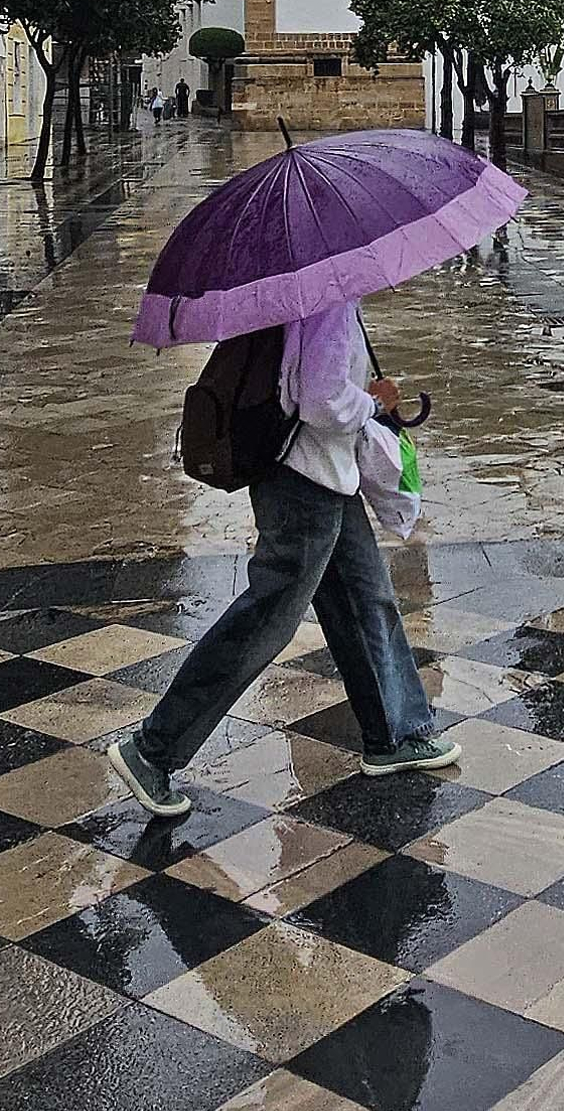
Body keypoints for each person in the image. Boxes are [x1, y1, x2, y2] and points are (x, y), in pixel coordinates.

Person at [109, 300, 457, 817]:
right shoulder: (326, 304)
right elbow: (321, 401)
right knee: (267, 618)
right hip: (304, 484)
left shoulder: (311, 294)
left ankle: (395, 733)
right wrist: (374, 403)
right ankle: (153, 750)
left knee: (366, 600)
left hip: (324, 477)